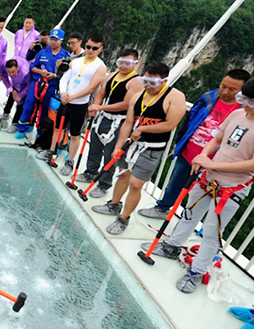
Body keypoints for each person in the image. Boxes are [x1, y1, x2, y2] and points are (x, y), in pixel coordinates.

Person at [143, 78, 254, 293]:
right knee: (189, 214)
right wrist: (203, 155)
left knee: (212, 232)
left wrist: (212, 162)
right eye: (244, 99)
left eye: (250, 101)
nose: (246, 104)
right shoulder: (237, 114)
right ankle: (172, 246)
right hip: (208, 176)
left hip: (233, 187)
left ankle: (197, 271)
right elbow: (218, 139)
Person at [138, 69, 250, 218]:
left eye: (232, 89)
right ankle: (163, 208)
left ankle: (186, 221)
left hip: (214, 162)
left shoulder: (244, 111)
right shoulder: (208, 99)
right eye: (223, 86)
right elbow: (189, 119)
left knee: (199, 195)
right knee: (175, 184)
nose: (225, 91)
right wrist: (180, 141)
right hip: (189, 151)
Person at [92, 63, 187, 235]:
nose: (148, 86)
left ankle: (124, 218)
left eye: (153, 83)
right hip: (131, 144)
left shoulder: (175, 97)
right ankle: (114, 204)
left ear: (164, 81)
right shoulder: (137, 97)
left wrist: (143, 129)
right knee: (123, 175)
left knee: (136, 185)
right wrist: (118, 145)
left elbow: (170, 124)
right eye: (145, 81)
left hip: (152, 147)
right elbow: (128, 122)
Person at [77, 49, 143, 198]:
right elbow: (101, 94)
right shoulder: (112, 76)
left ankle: (103, 184)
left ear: (136, 64)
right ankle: (90, 172)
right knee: (94, 145)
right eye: (121, 62)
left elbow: (126, 104)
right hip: (103, 117)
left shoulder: (136, 81)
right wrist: (95, 108)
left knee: (110, 153)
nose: (123, 66)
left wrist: (100, 107)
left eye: (128, 63)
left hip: (120, 121)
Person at [39, 34, 107, 173]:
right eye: (88, 47)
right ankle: (52, 151)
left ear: (100, 49)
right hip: (66, 100)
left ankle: (70, 161)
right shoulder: (76, 61)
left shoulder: (100, 67)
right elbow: (65, 78)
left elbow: (92, 88)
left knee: (75, 133)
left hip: (80, 104)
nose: (90, 50)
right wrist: (63, 93)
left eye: (94, 48)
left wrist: (73, 97)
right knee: (58, 128)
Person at [15, 28, 70, 139]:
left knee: (45, 109)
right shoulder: (43, 51)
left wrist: (54, 75)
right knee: (29, 105)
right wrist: (41, 72)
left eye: (56, 40)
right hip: (37, 83)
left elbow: (66, 75)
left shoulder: (65, 55)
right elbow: (32, 66)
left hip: (51, 86)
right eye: (52, 39)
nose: (53, 42)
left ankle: (40, 131)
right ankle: (22, 128)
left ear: (61, 41)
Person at [2, 16, 39, 122]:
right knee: (13, 88)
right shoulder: (19, 32)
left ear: (33, 24)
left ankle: (17, 119)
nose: (27, 25)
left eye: (30, 23)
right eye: (26, 22)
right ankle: (6, 112)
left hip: (26, 63)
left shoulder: (36, 35)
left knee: (21, 88)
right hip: (16, 60)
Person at [2, 58, 32, 133]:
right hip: (15, 83)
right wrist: (10, 88)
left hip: (24, 85)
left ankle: (15, 123)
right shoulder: (4, 66)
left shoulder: (25, 73)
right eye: (9, 72)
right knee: (11, 96)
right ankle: (6, 113)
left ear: (17, 67)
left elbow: (28, 85)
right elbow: (4, 76)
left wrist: (20, 96)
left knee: (20, 105)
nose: (11, 74)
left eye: (13, 72)